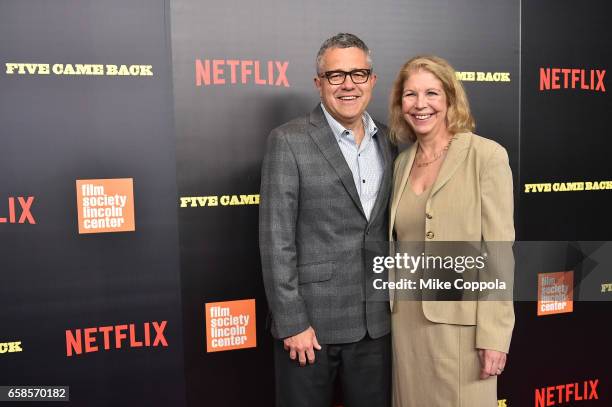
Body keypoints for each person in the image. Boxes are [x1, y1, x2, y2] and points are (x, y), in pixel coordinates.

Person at [259, 33, 396, 407]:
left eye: (358, 73)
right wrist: (292, 322)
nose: (348, 84)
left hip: (376, 324)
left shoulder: (390, 139)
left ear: (372, 80)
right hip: (311, 328)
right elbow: (276, 238)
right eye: (336, 75)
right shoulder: (288, 141)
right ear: (319, 83)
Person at [387, 55, 515, 407]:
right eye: (410, 95)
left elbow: (499, 252)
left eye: (431, 93)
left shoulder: (486, 156)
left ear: (450, 99)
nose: (420, 104)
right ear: (401, 104)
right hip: (406, 327)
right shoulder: (401, 163)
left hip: (462, 329)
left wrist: (495, 335)